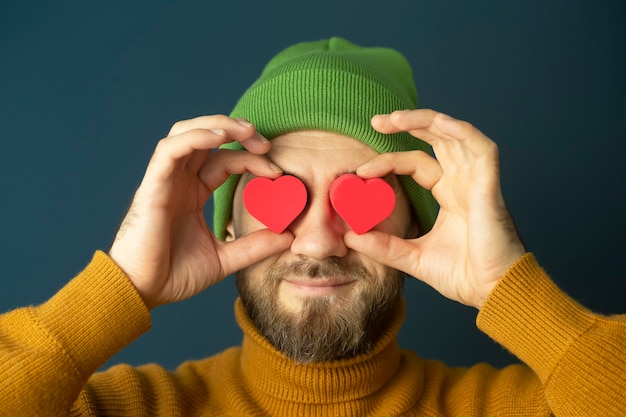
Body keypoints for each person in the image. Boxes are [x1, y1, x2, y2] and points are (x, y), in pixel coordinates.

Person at [1, 37, 624, 417]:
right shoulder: (115, 410)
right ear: (224, 215)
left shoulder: (530, 408)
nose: (320, 242)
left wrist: (508, 286)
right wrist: (121, 286)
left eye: (365, 196)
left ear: (418, 221)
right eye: (283, 194)